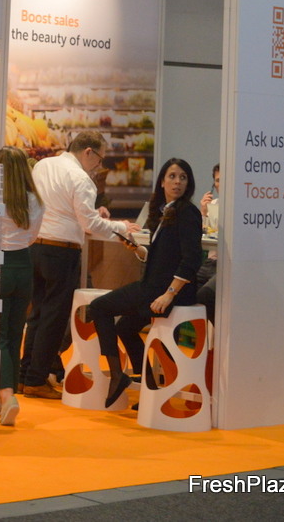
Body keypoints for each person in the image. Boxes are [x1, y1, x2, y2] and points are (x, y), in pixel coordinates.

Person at [19, 131, 137, 399]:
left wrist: (95, 215)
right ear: (88, 152)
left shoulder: (43, 165)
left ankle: (24, 376)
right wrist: (121, 227)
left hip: (35, 246)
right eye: (99, 159)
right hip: (62, 252)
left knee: (36, 314)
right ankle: (37, 380)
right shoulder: (81, 178)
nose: (99, 165)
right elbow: (90, 225)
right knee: (53, 317)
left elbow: (58, 208)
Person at [89, 158, 203, 408]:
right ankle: (150, 388)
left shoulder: (187, 212)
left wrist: (169, 294)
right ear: (162, 181)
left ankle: (117, 375)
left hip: (162, 290)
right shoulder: (165, 210)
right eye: (172, 176)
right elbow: (165, 257)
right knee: (124, 328)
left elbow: (192, 259)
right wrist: (139, 250)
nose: (177, 182)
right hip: (155, 286)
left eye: (183, 177)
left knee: (98, 307)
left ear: (189, 183)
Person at [0, 146, 44, 426]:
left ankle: (5, 395)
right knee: (15, 334)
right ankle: (5, 396)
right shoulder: (35, 199)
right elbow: (32, 237)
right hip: (24, 266)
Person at [196, 163, 221, 322]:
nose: (221, 184)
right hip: (209, 262)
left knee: (204, 296)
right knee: (183, 293)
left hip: (225, 265)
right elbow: (202, 234)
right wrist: (204, 213)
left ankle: (222, 330)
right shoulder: (213, 205)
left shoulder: (241, 206)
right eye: (218, 180)